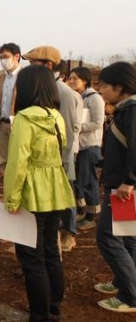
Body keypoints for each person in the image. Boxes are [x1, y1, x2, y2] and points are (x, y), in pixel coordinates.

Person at [4, 65, 76, 322]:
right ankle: (53, 310)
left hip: (33, 193)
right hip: (56, 189)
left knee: (31, 258)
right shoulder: (55, 116)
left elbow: (17, 163)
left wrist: (11, 199)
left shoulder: (23, 119)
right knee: (49, 252)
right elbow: (64, 146)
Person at [23, 46, 82, 253]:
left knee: (62, 204)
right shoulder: (46, 91)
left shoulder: (64, 94)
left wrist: (63, 167)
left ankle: (68, 234)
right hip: (46, 165)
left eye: (34, 64)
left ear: (48, 66)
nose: (29, 69)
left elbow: (66, 133)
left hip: (58, 164)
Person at [94, 61, 136, 313]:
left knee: (108, 237)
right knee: (127, 236)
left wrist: (129, 181)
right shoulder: (124, 110)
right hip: (122, 183)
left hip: (122, 188)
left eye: (105, 86)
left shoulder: (131, 112)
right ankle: (124, 283)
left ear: (120, 87)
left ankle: (131, 295)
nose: (101, 91)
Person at [66, 66, 105, 230]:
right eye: (70, 78)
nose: (72, 81)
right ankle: (82, 211)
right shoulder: (75, 97)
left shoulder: (94, 98)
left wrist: (77, 127)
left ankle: (91, 215)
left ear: (85, 80)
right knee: (78, 181)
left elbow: (98, 122)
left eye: (75, 78)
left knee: (89, 181)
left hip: (90, 145)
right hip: (77, 145)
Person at [0, 42, 22, 171]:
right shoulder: (1, 78)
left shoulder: (24, 77)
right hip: (2, 125)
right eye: (1, 57)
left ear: (16, 56)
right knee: (4, 161)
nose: (3, 60)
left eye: (6, 56)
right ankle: (8, 189)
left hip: (17, 125)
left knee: (18, 160)